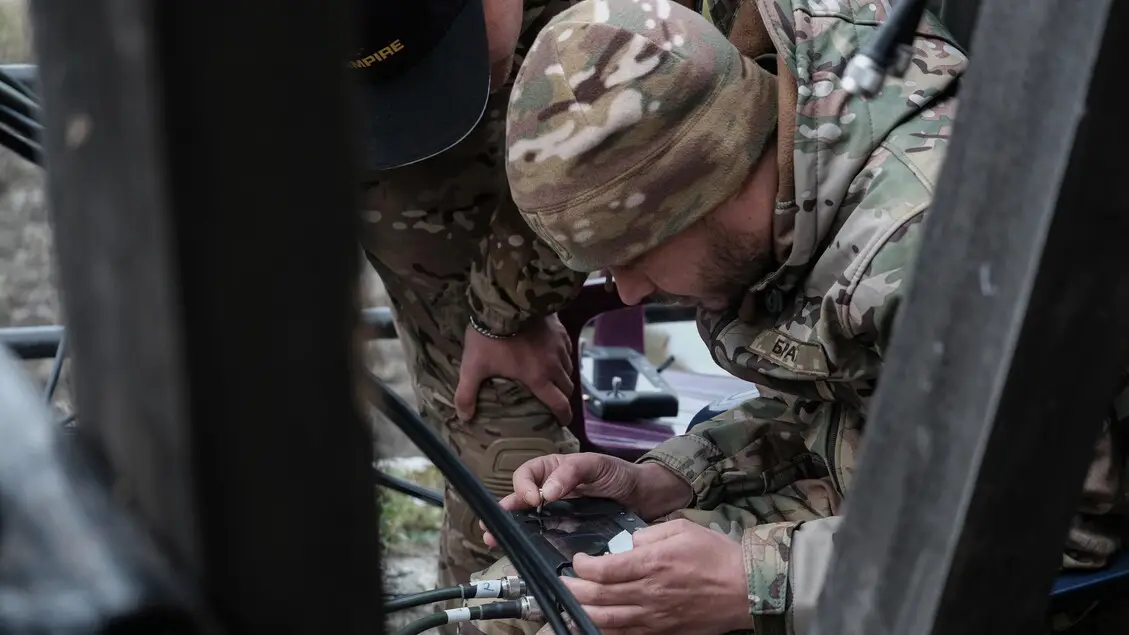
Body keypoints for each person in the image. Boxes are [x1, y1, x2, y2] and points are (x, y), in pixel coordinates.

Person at [460, 0, 1128, 633]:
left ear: (703, 186)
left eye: (632, 255)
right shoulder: (794, 182)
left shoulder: (936, 258)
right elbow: (846, 400)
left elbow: (1060, 530)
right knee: (537, 599)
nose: (628, 293)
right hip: (877, 509)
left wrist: (749, 582)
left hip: (989, 572)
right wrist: (664, 478)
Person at [348, 0, 592, 598]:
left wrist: (506, 305)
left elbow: (641, 117)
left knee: (502, 411)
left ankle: (509, 611)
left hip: (570, 69)